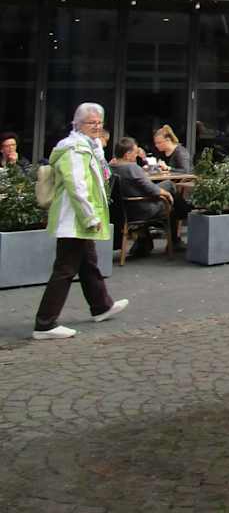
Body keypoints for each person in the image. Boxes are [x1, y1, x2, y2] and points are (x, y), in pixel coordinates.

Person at [32, 103, 129, 341]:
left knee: (88, 262)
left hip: (77, 218)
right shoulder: (75, 150)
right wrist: (90, 217)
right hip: (74, 218)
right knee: (65, 268)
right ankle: (44, 324)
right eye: (91, 123)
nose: (97, 127)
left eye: (99, 122)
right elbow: (78, 186)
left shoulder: (89, 147)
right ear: (77, 124)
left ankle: (101, 306)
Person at [111, 136, 174, 258]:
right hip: (141, 209)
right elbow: (151, 189)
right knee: (170, 187)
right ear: (127, 154)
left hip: (123, 210)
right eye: (135, 153)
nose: (137, 155)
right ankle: (174, 239)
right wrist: (167, 194)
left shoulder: (111, 167)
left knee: (171, 197)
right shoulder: (131, 168)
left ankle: (144, 242)